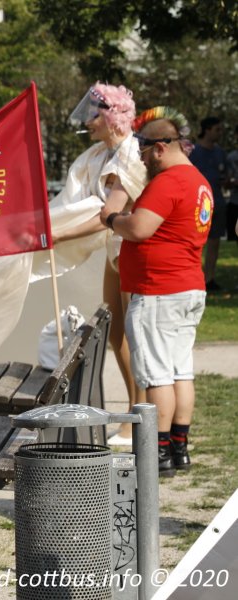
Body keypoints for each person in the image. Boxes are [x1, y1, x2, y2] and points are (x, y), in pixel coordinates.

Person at [100, 106, 208, 476]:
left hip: (158, 291)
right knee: (180, 372)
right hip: (187, 287)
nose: (143, 160)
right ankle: (179, 447)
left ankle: (157, 453)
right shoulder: (199, 182)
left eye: (145, 152)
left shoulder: (169, 182)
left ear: (160, 148)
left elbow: (139, 228)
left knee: (157, 375)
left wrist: (112, 218)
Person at [39, 83, 147, 444]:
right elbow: (77, 201)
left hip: (131, 250)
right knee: (116, 334)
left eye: (94, 114)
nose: (87, 121)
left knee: (133, 337)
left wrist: (59, 235)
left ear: (113, 117)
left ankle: (139, 419)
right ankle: (135, 412)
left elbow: (108, 214)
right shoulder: (101, 154)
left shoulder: (130, 154)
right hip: (116, 252)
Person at [190, 116, 228, 291]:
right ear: (207, 130)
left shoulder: (220, 153)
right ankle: (194, 279)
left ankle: (209, 279)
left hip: (217, 202)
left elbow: (224, 175)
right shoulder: (193, 152)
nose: (220, 133)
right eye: (217, 130)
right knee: (195, 243)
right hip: (197, 204)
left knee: (214, 242)